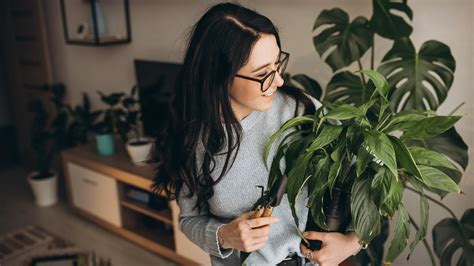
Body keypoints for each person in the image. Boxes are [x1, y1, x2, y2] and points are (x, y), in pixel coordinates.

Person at [151, 2, 362, 265]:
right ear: (219, 76)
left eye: (277, 64)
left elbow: (371, 172)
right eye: (263, 73)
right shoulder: (191, 139)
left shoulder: (301, 111)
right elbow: (189, 219)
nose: (279, 81)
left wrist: (353, 243)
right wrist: (224, 236)